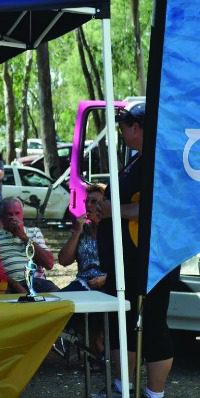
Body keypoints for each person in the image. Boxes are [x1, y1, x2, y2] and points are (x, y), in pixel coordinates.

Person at [95, 102, 175, 398]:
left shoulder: (159, 162)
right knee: (123, 322)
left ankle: (155, 394)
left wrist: (111, 209)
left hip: (151, 258)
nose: (121, 130)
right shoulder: (136, 160)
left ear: (137, 128)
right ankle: (122, 389)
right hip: (126, 259)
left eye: (123, 125)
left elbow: (152, 209)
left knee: (153, 324)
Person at [0, 197, 59, 293]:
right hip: (11, 285)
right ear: (1, 217)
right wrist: (14, 284)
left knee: (60, 298)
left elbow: (49, 264)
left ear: (22, 214)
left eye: (17, 213)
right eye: (9, 214)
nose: (13, 218)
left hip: (37, 282)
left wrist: (24, 237)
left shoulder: (34, 232)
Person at [58, 184, 106, 292]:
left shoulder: (114, 231)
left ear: (104, 204)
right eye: (86, 201)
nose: (88, 205)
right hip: (82, 284)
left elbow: (128, 264)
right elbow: (63, 261)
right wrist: (77, 232)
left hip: (107, 284)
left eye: (94, 202)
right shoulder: (83, 230)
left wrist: (105, 279)